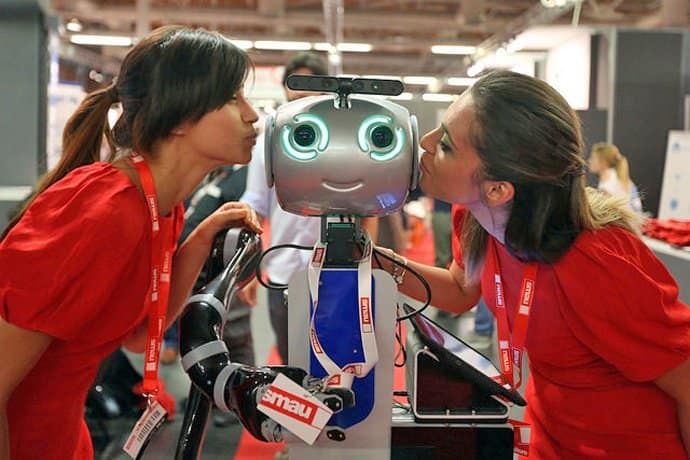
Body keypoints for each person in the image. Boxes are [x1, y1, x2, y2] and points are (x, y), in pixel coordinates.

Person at [378, 70, 690, 459]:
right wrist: (377, 261)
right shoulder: (475, 218)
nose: (424, 143)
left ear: (497, 189)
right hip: (549, 439)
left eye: (445, 145)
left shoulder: (596, 263)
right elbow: (461, 289)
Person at [0, 25, 261, 460]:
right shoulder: (101, 211)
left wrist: (199, 241)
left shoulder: (161, 207)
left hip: (62, 439)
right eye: (233, 99)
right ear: (180, 116)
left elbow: (140, 336)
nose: (252, 115)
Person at [241, 51, 377, 366]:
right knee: (291, 358)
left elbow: (368, 209)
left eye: (307, 96)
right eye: (294, 96)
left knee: (341, 360)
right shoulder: (269, 141)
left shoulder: (348, 143)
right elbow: (256, 204)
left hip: (340, 272)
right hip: (283, 272)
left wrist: (369, 266)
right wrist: (248, 268)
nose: (299, 103)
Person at [588, 141, 643, 213]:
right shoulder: (617, 176)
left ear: (603, 162)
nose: (589, 161)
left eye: (593, 158)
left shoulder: (607, 183)